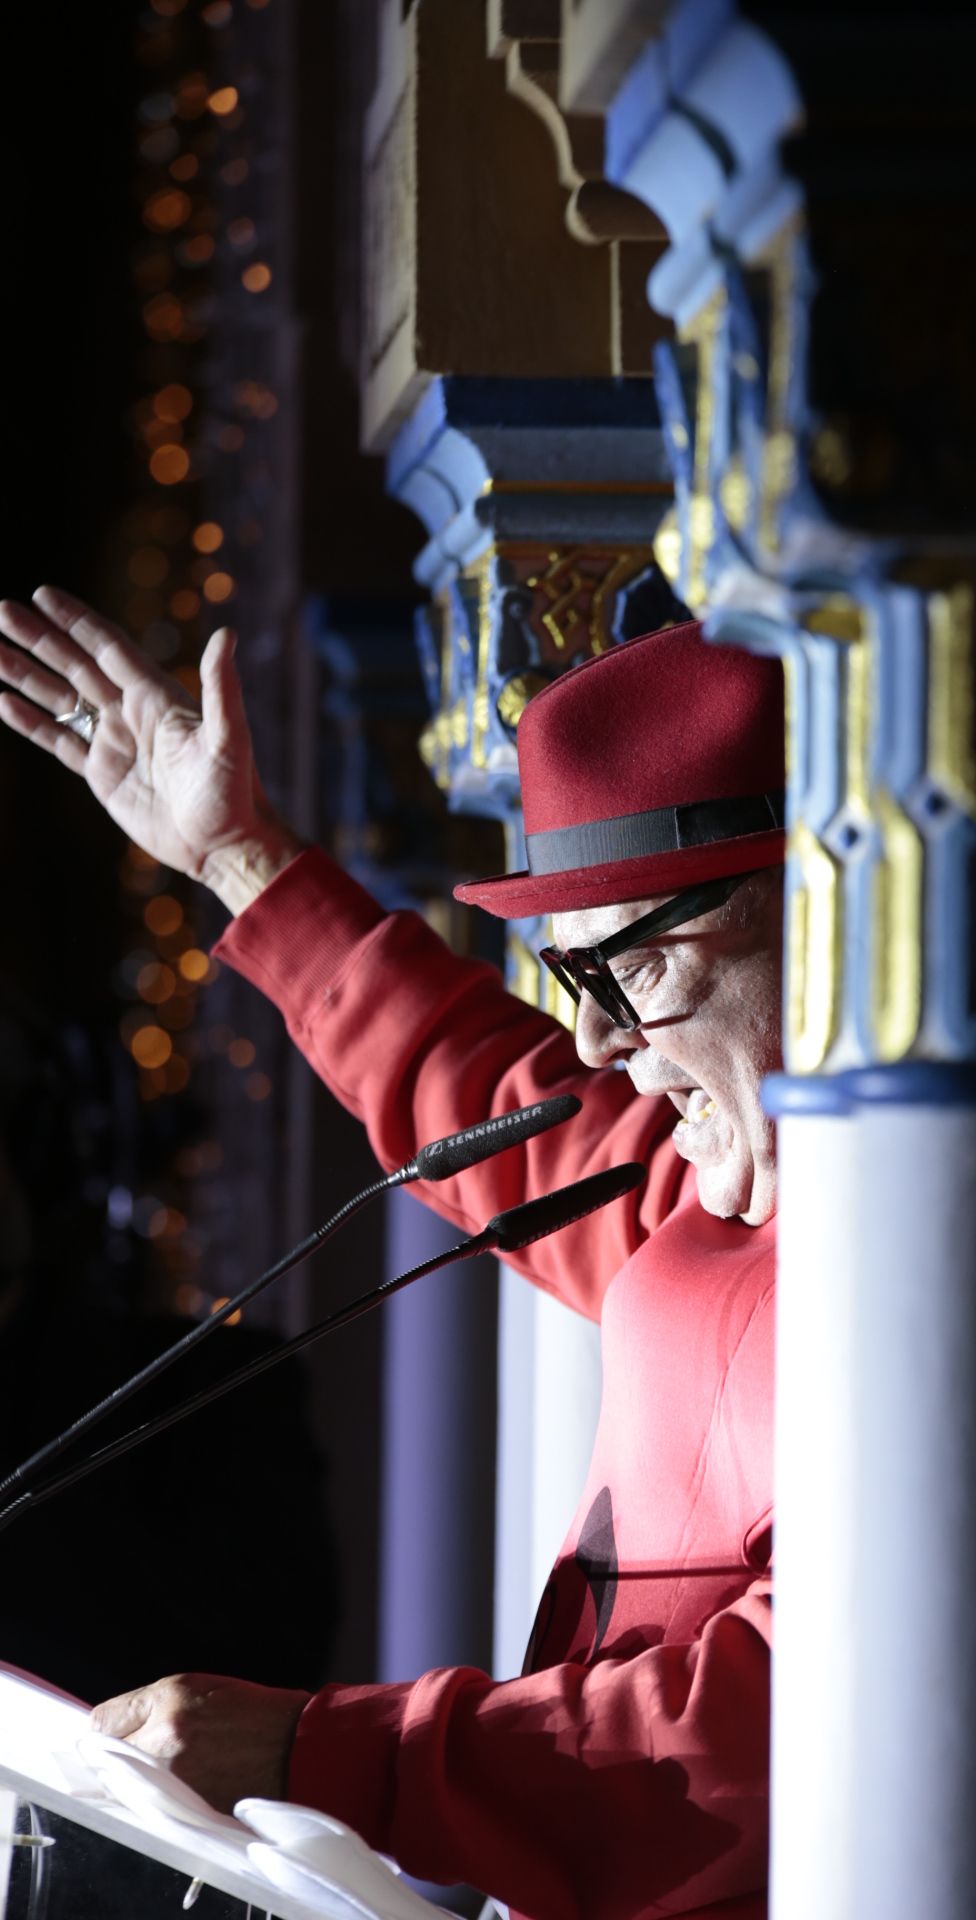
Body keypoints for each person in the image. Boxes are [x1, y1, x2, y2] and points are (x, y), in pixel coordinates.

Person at [0, 585, 787, 1920]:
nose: (594, 1045)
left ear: (811, 918)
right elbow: (491, 1096)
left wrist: (333, 1752)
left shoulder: (908, 1295)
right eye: (569, 982)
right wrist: (236, 857)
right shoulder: (707, 1198)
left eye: (626, 977)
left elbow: (760, 1734)